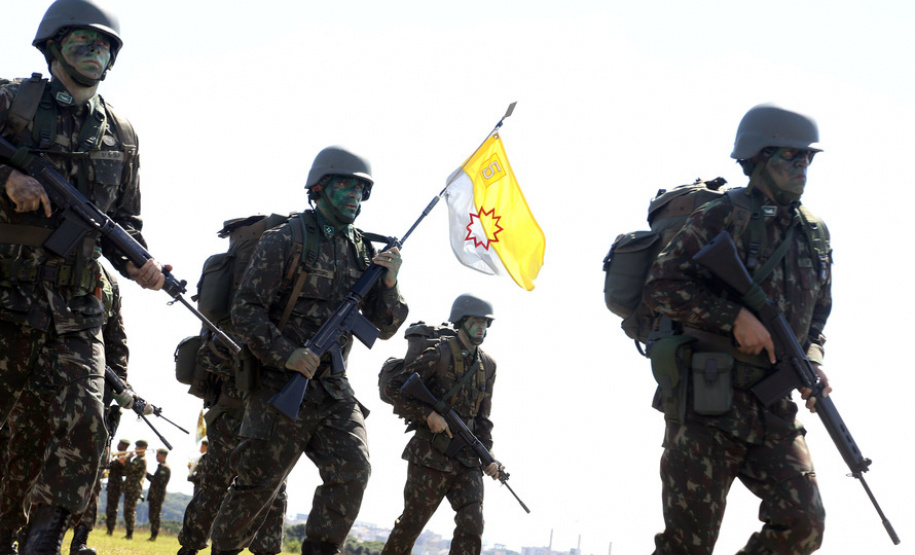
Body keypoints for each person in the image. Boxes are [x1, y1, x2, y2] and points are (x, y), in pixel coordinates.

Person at [0, 0, 164, 549]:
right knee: (14, 442)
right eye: (81, 43)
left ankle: (44, 539)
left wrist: (140, 262)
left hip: (75, 312)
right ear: (52, 48)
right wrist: (6, 177)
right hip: (5, 296)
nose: (95, 53)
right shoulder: (10, 103)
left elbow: (125, 223)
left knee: (86, 426)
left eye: (105, 46)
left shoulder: (122, 132)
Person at [643, 103, 833, 555]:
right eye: (791, 157)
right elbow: (662, 286)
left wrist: (813, 359)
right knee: (687, 546)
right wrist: (733, 318)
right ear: (758, 157)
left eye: (808, 158)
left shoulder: (815, 234)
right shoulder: (723, 215)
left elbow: (819, 318)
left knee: (804, 523)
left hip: (772, 408)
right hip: (707, 403)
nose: (802, 167)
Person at [209, 145, 409, 555]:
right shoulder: (285, 240)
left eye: (360, 190)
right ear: (319, 189)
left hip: (333, 388)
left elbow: (386, 328)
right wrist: (287, 354)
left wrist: (389, 283)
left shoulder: (365, 253)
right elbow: (245, 311)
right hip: (279, 382)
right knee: (257, 485)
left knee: (353, 470)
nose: (354, 196)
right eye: (344, 187)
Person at [381, 294, 500, 555]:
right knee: (412, 523)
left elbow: (483, 419)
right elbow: (395, 388)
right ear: (461, 321)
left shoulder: (487, 366)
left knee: (472, 523)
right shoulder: (438, 354)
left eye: (485, 323)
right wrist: (427, 415)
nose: (481, 327)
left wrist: (488, 455)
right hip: (430, 456)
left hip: (467, 458)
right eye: (476, 321)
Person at [122, 439, 147, 540]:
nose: (136, 449)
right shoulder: (137, 459)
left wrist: (127, 459)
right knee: (127, 511)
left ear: (143, 448)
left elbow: (129, 469)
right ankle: (128, 533)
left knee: (130, 511)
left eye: (138, 447)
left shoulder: (141, 460)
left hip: (134, 488)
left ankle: (129, 534)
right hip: (130, 488)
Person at [105, 439, 131, 535]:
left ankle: (110, 530)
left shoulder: (124, 458)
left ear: (124, 446)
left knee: (113, 508)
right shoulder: (117, 455)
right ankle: (109, 528)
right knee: (109, 508)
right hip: (111, 484)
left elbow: (125, 472)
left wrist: (119, 462)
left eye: (121, 444)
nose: (118, 445)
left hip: (117, 485)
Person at [146, 448, 171, 541]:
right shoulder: (161, 467)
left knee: (155, 516)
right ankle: (152, 535)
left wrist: (147, 474)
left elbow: (157, 481)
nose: (156, 457)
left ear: (163, 456)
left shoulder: (165, 468)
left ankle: (154, 535)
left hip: (158, 495)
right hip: (154, 495)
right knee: (152, 515)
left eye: (158, 455)